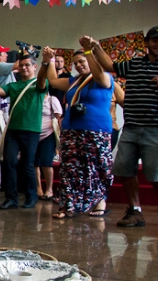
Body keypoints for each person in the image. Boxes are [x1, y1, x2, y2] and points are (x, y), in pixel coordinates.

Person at [86, 27, 158, 226]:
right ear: (146, 43)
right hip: (131, 127)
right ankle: (134, 211)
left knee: (156, 174)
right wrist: (95, 47)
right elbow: (110, 65)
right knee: (125, 170)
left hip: (157, 128)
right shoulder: (136, 63)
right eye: (156, 40)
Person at [41, 45, 113, 219]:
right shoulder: (74, 81)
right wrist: (50, 59)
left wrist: (89, 52)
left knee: (97, 167)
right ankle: (68, 206)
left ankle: (100, 201)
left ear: (92, 60)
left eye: (83, 62)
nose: (79, 66)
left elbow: (97, 74)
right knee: (70, 168)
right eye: (75, 63)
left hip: (96, 130)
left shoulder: (104, 78)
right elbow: (52, 80)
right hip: (72, 129)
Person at [0, 53, 49, 209]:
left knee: (28, 165)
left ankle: (31, 197)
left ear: (34, 67)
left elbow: (42, 79)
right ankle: (11, 198)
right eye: (21, 65)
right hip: (12, 130)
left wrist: (45, 63)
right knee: (9, 163)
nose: (24, 68)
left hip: (31, 130)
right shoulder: (14, 86)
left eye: (27, 65)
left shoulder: (38, 84)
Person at [35, 84, 63, 202]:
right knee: (34, 163)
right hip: (34, 134)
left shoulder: (52, 99)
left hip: (48, 134)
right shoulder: (34, 98)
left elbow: (58, 117)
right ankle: (38, 189)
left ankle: (49, 189)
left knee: (46, 163)